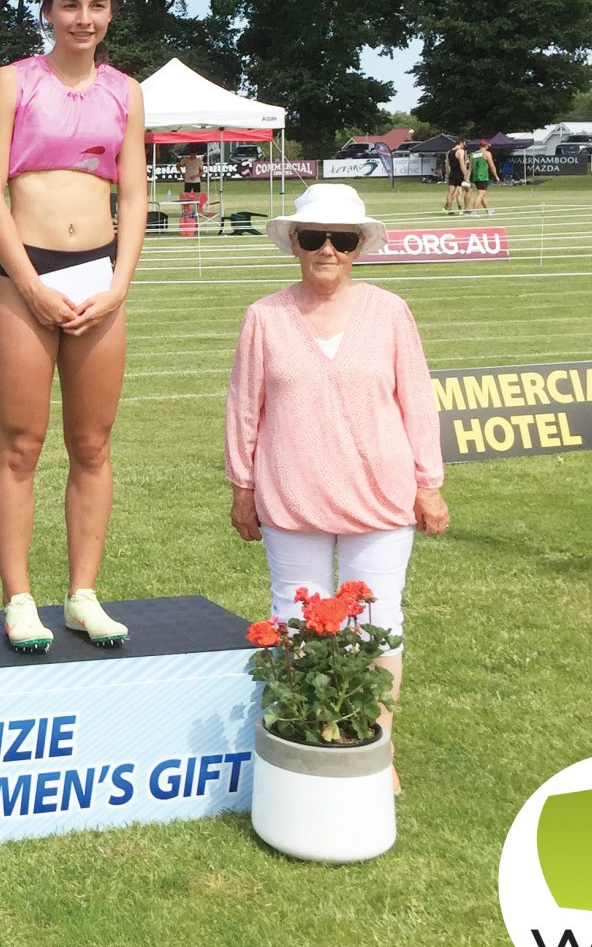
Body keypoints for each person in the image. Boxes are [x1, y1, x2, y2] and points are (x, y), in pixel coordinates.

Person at [224, 182, 449, 792]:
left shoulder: (390, 311)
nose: (327, 250)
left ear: (358, 248)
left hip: (381, 494)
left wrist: (429, 483)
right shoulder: (264, 317)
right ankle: (300, 738)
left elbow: (417, 402)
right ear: (294, 244)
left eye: (341, 239)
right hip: (290, 492)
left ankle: (378, 745)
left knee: (378, 622)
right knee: (294, 620)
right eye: (313, 238)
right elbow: (246, 407)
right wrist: (242, 485)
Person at [0, 0, 148, 652]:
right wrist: (30, 283)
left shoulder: (127, 92)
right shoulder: (11, 82)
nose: (84, 18)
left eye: (97, 6)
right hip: (26, 275)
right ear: (48, 10)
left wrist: (118, 284)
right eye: (70, 5)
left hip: (100, 278)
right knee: (21, 443)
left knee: (93, 443)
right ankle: (19, 598)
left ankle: (82, 593)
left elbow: (134, 194)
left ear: (110, 13)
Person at [468, 140, 496, 214]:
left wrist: (467, 178)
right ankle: (473, 212)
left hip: (475, 176)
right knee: (481, 194)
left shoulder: (473, 154)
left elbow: (470, 168)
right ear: (486, 146)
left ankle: (488, 211)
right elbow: (492, 166)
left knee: (482, 194)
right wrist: (496, 176)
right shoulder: (487, 153)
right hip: (483, 176)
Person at [443, 139, 469, 214]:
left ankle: (449, 210)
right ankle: (466, 209)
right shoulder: (461, 151)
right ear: (460, 143)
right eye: (463, 144)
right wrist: (465, 174)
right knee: (469, 190)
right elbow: (461, 163)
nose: (464, 146)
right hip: (459, 173)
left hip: (452, 173)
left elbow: (448, 163)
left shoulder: (450, 152)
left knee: (450, 192)